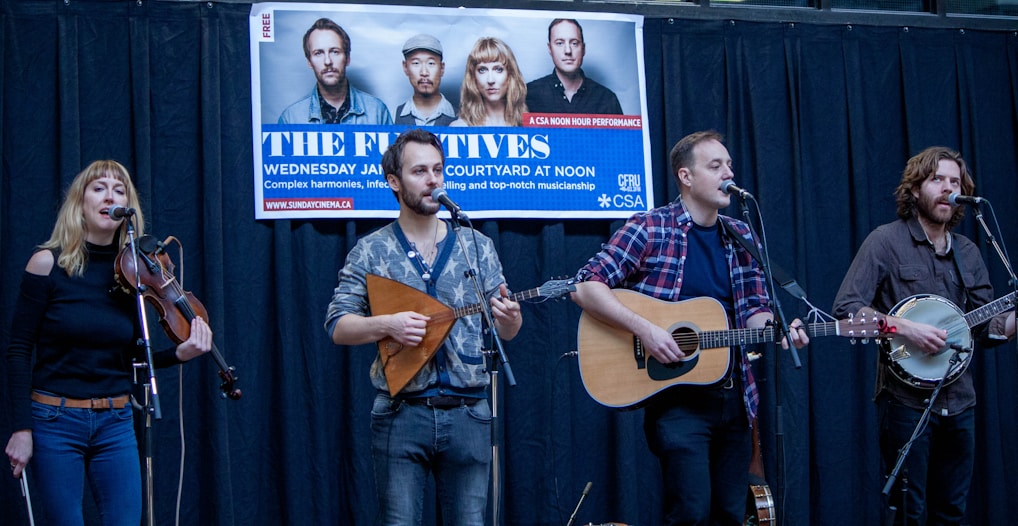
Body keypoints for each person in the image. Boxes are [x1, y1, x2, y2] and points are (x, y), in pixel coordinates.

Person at [571, 130, 809, 525]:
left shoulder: (742, 235)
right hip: (677, 401)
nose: (728, 173)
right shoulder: (650, 228)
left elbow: (754, 309)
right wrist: (646, 330)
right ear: (685, 176)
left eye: (729, 165)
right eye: (715, 166)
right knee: (691, 513)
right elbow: (585, 285)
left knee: (731, 514)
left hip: (735, 399)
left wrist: (778, 328)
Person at [324, 128, 522, 524]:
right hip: (401, 413)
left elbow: (505, 333)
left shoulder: (476, 245)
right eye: (419, 171)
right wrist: (387, 324)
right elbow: (337, 325)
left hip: (470, 413)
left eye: (438, 169)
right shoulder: (372, 249)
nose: (433, 180)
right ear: (394, 182)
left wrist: (511, 320)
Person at [4, 160, 213, 525]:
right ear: (79, 202)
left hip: (115, 420)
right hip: (55, 418)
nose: (111, 196)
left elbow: (132, 356)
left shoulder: (133, 273)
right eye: (99, 188)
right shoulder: (47, 264)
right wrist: (21, 429)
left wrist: (179, 354)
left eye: (120, 190)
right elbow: (18, 349)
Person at [832, 146, 1015, 526]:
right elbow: (847, 309)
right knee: (908, 514)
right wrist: (906, 328)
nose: (948, 189)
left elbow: (987, 329)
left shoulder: (967, 251)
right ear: (915, 189)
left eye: (955, 182)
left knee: (951, 511)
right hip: (905, 402)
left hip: (961, 400)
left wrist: (1011, 323)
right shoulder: (885, 242)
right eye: (938, 180)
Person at [277, 18, 393, 125]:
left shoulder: (377, 112)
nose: (327, 61)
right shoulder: (291, 119)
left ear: (347, 58)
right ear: (309, 62)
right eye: (318, 53)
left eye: (335, 51)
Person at [525, 19, 624, 115]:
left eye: (574, 43)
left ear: (583, 49)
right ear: (550, 48)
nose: (568, 50)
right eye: (559, 43)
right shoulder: (528, 95)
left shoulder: (606, 98)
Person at [450, 37, 528, 127]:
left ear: (510, 75)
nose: (490, 80)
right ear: (473, 77)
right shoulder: (460, 129)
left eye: (498, 69)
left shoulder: (528, 127)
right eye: (482, 70)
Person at [393, 34, 457, 127]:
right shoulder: (393, 117)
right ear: (405, 67)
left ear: (442, 68)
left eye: (431, 63)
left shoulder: (461, 119)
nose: (424, 72)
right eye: (416, 63)